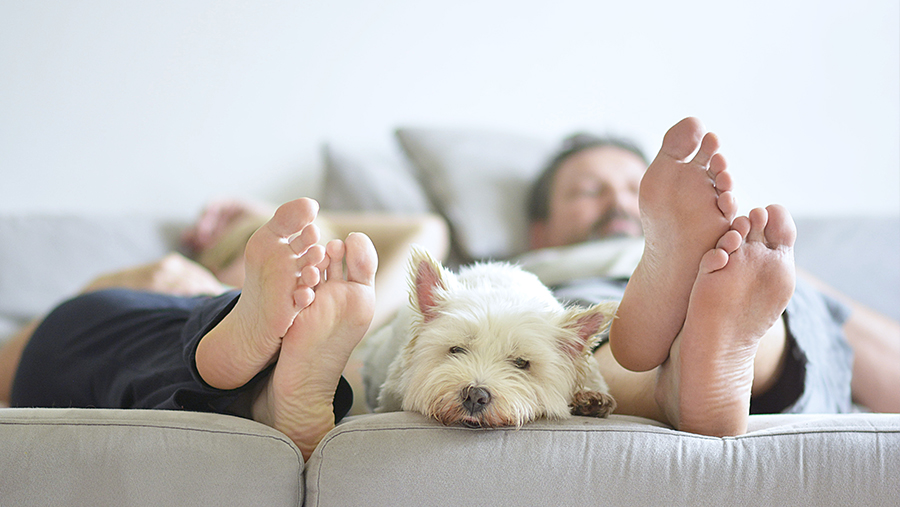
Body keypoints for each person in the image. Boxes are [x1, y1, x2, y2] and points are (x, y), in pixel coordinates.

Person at [525, 117, 900, 433]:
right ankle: (691, 368)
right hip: (584, 290)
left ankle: (688, 368)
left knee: (750, 299)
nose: (618, 203)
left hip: (732, 275)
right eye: (589, 192)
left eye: (633, 190)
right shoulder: (525, 276)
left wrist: (781, 271)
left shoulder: (758, 264)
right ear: (538, 233)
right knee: (569, 338)